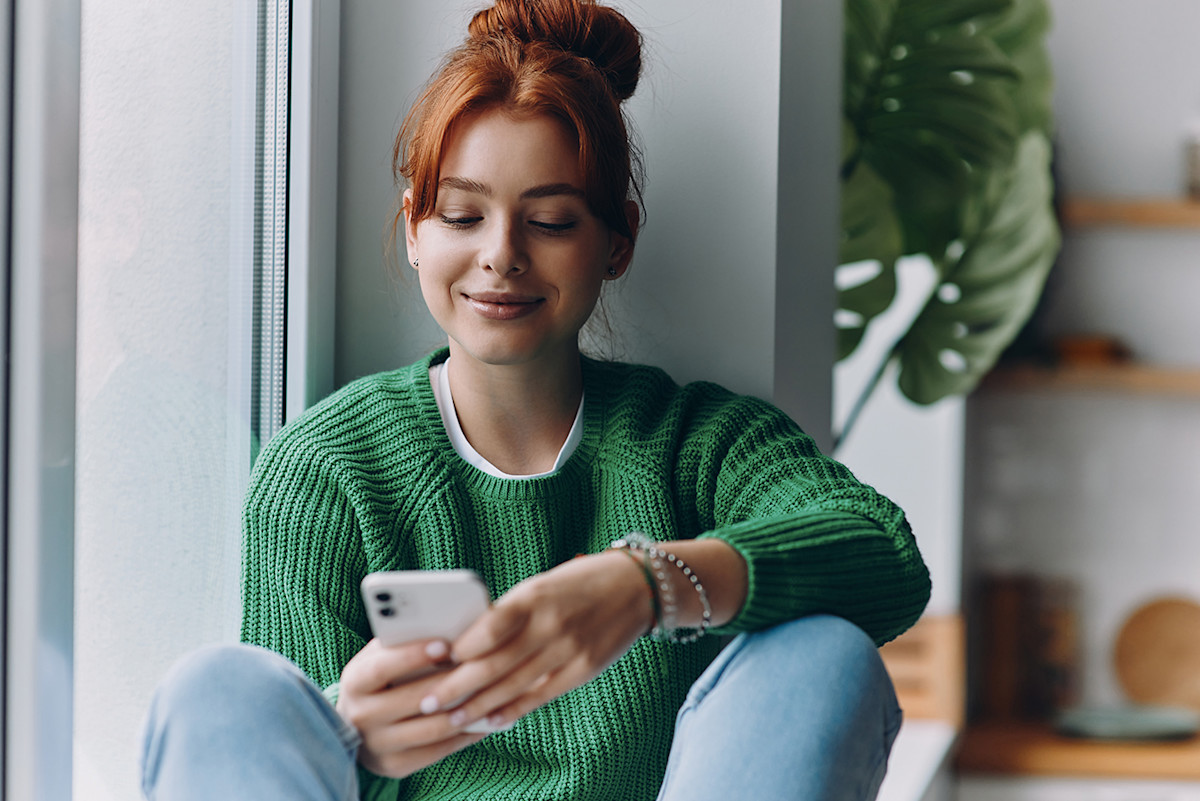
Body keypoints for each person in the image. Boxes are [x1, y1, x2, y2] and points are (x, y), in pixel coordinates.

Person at [139, 1, 931, 799]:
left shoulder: (700, 445)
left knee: (823, 654)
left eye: (550, 221)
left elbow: (887, 558)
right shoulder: (327, 471)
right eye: (460, 214)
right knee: (219, 688)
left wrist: (645, 586)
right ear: (415, 228)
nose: (501, 255)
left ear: (616, 241)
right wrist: (351, 730)